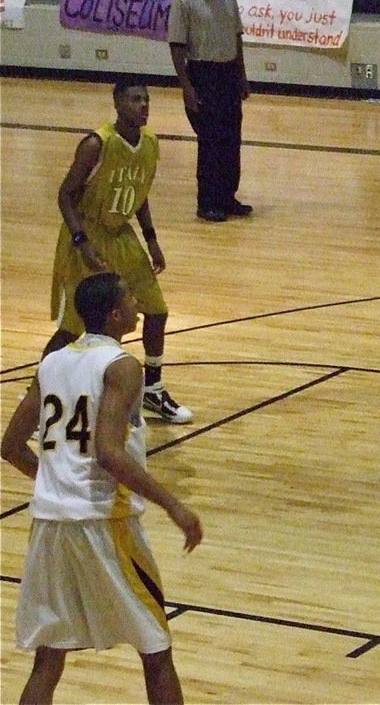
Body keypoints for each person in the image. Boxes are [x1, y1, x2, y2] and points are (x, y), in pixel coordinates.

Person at [1, 272, 204, 704]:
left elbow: (11, 446)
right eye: (131, 297)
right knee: (157, 648)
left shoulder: (51, 361)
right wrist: (173, 505)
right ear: (116, 315)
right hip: (104, 523)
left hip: (50, 525)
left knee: (48, 658)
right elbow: (109, 453)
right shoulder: (121, 365)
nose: (137, 303)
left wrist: (57, 480)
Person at [43, 80, 192, 424]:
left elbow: (139, 193)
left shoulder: (151, 143)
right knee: (73, 327)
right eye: (135, 99)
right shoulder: (97, 144)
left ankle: (153, 390)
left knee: (156, 310)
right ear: (117, 103)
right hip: (87, 233)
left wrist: (151, 237)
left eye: (146, 99)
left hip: (120, 232)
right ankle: (40, 396)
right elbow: (65, 195)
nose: (144, 105)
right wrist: (81, 241)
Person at [168, 0, 252, 223]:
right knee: (210, 141)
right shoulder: (184, 0)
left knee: (231, 139)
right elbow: (177, 47)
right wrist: (187, 87)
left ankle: (228, 197)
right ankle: (207, 202)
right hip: (203, 75)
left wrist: (241, 75)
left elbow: (236, 36)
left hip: (228, 74)